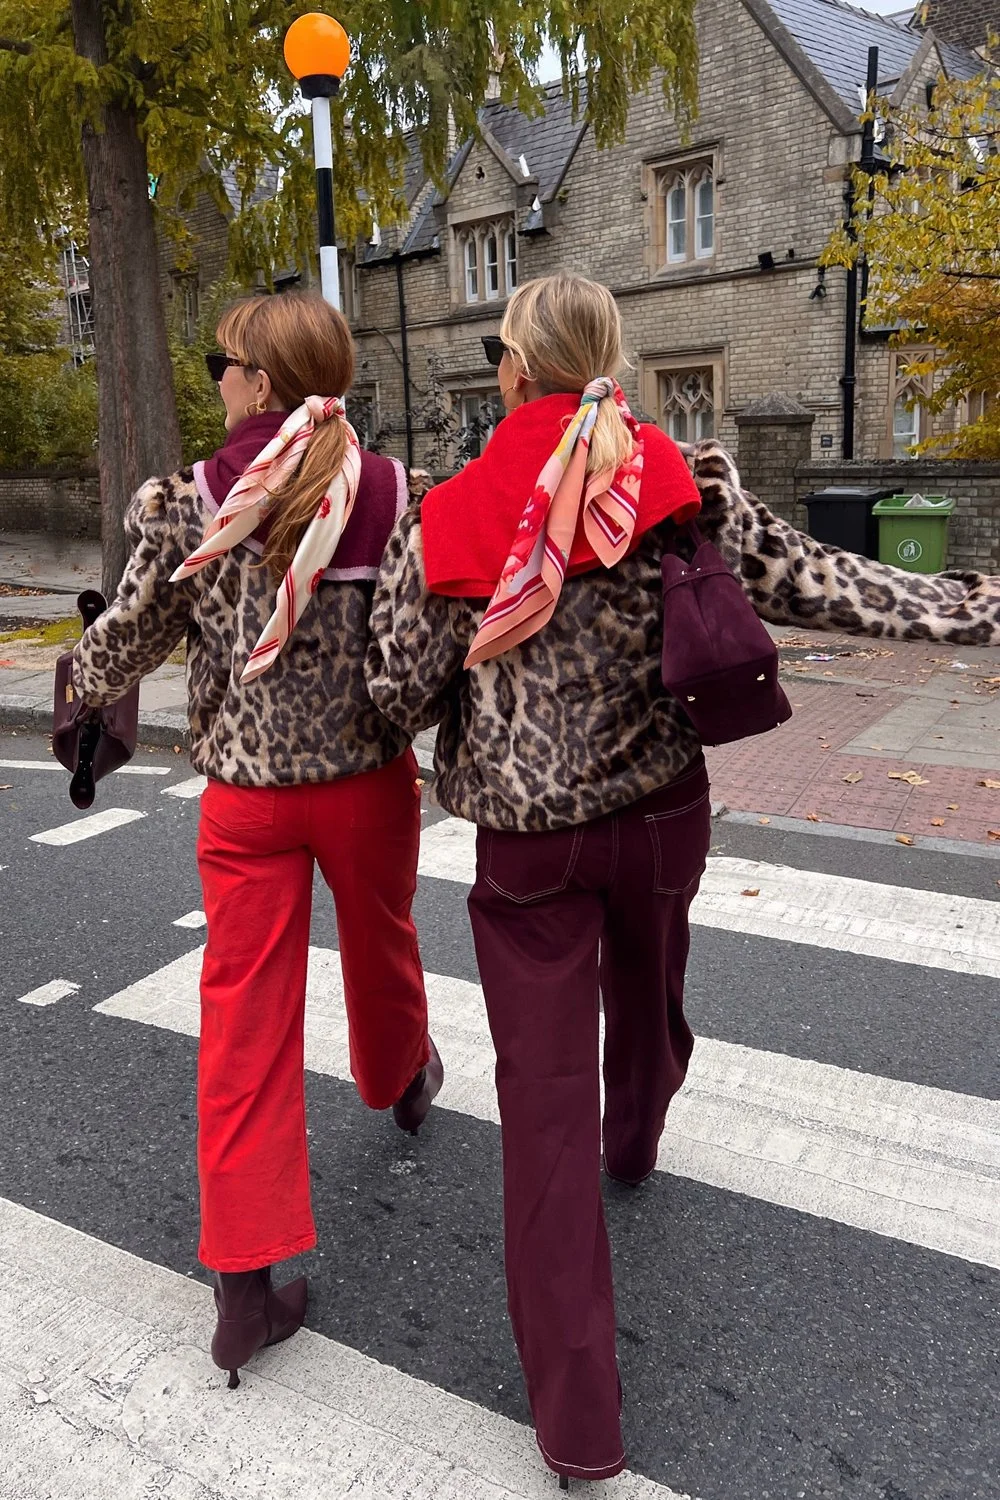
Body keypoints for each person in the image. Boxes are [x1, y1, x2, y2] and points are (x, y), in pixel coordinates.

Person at [365, 271, 1000, 1484]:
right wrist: (973, 604)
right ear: (612, 355)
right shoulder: (678, 486)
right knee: (652, 993)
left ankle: (576, 1425)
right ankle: (642, 1130)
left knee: (538, 1106)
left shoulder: (449, 512)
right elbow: (830, 582)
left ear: (511, 370)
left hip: (527, 841)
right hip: (659, 811)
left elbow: (396, 689)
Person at [72, 291, 443, 1388]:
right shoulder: (382, 489)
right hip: (366, 779)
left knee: (242, 1023)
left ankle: (245, 1283)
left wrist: (84, 693)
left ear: (263, 383)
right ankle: (401, 1075)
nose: (213, 379)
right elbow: (411, 637)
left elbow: (128, 637)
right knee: (380, 939)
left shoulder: (190, 502)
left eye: (219, 364)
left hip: (245, 797)